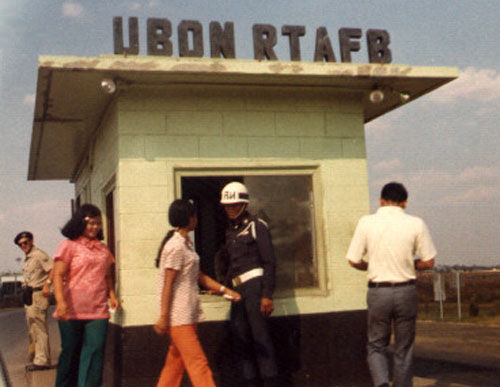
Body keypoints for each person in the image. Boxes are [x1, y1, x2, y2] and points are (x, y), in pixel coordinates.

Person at [346, 182, 436, 387]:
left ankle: (381, 383)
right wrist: (410, 263)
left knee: (376, 345)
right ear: (404, 203)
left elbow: (353, 259)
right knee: (404, 348)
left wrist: (370, 266)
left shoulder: (366, 222)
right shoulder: (416, 223)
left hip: (379, 291)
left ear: (381, 201)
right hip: (406, 290)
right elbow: (428, 261)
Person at [154, 199, 241, 387]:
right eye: (194, 214)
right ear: (189, 218)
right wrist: (163, 316)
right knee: (198, 364)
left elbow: (200, 276)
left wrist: (226, 290)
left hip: (188, 315)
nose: (197, 218)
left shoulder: (186, 244)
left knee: (174, 364)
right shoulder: (175, 247)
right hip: (179, 318)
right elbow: (167, 284)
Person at [216, 182, 278, 386]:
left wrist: (267, 294)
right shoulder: (230, 231)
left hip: (255, 288)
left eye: (234, 205)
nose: (230, 209)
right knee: (241, 341)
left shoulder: (256, 226)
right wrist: (221, 287)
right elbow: (230, 264)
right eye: (227, 206)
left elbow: (269, 261)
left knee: (261, 340)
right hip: (237, 292)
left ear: (244, 204)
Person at [52, 204, 119, 387]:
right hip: (70, 311)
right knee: (70, 353)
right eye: (90, 223)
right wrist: (60, 302)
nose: (95, 227)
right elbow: (57, 275)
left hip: (97, 311)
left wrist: (112, 295)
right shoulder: (68, 245)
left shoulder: (102, 249)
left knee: (95, 353)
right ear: (80, 222)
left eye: (98, 223)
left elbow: (107, 275)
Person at [14, 231, 53, 371]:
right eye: (20, 244)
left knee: (39, 328)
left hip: (38, 294)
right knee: (33, 328)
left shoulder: (39, 255)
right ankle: (38, 357)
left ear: (31, 240)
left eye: (25, 242)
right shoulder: (28, 258)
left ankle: (42, 361)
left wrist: (48, 284)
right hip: (29, 295)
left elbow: (52, 269)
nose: (23, 245)